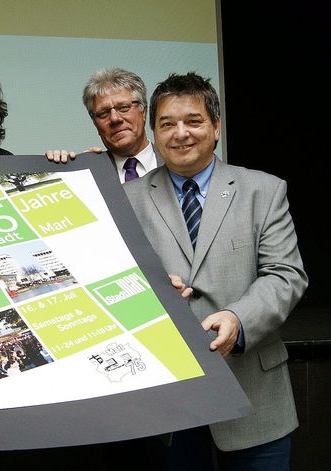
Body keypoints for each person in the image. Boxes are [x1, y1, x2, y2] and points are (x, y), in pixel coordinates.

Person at [124, 71, 308, 470]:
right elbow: (113, 282)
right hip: (168, 403)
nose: (181, 133)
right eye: (167, 123)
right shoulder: (126, 200)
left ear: (216, 126)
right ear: (153, 132)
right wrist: (148, 293)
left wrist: (238, 319)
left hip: (253, 395)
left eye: (193, 121)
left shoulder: (264, 190)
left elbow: (285, 274)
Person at [46, 68, 163, 182]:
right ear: (95, 123)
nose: (114, 118)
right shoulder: (88, 173)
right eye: (103, 113)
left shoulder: (175, 164)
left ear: (144, 112)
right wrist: (58, 171)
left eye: (123, 108)